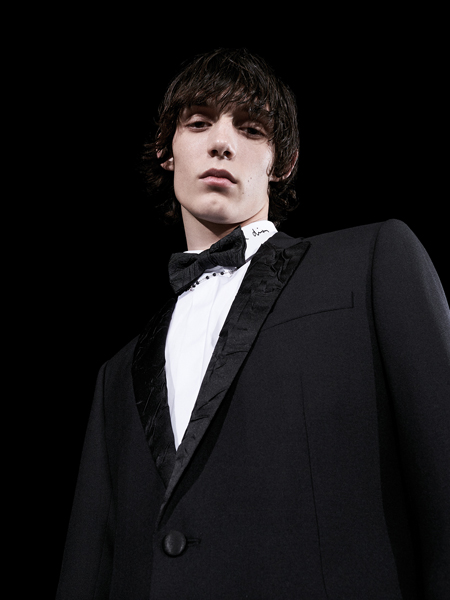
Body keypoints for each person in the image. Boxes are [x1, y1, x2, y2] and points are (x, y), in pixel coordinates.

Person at [56, 48, 450, 599]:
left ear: (281, 163)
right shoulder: (115, 375)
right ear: (166, 150)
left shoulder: (371, 263)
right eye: (199, 123)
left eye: (251, 128)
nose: (222, 142)